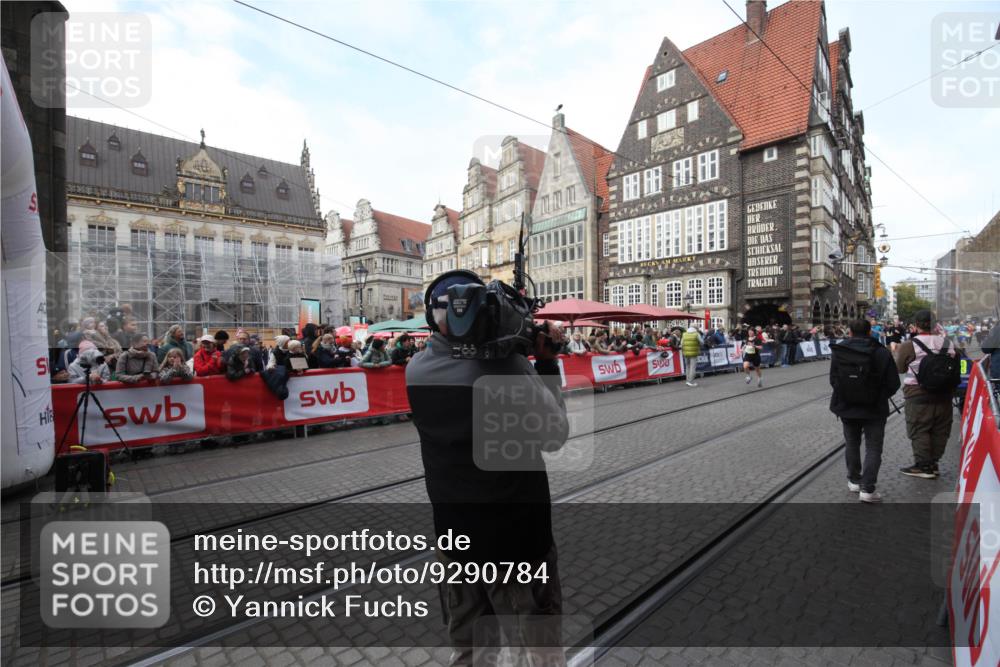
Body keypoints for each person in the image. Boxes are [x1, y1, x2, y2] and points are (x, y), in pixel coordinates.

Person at [406, 271, 568, 667]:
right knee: (540, 649)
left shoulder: (416, 370)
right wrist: (544, 363)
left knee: (471, 650)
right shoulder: (511, 370)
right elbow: (555, 435)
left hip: (456, 539)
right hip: (518, 540)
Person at [829, 319, 902, 503]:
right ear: (870, 332)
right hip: (874, 408)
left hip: (847, 406)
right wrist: (879, 395)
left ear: (850, 332)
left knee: (851, 442)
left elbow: (833, 379)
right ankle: (868, 489)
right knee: (873, 447)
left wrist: (847, 393)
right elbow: (894, 383)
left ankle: (854, 480)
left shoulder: (840, 350)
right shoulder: (881, 352)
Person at [895, 309, 959, 479]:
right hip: (944, 394)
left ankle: (924, 466)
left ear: (915, 326)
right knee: (941, 429)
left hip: (917, 393)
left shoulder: (909, 345)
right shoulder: (949, 343)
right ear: (935, 324)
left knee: (919, 429)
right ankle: (934, 463)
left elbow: (900, 368)